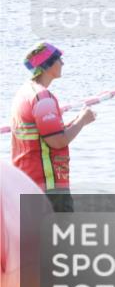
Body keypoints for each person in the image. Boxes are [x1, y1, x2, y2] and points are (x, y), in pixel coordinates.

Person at [9, 43, 96, 213]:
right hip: (48, 188)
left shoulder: (24, 93)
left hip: (27, 182)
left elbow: (45, 135)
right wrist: (83, 121)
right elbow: (57, 141)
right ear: (48, 65)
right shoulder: (43, 98)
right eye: (59, 59)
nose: (62, 63)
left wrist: (75, 120)